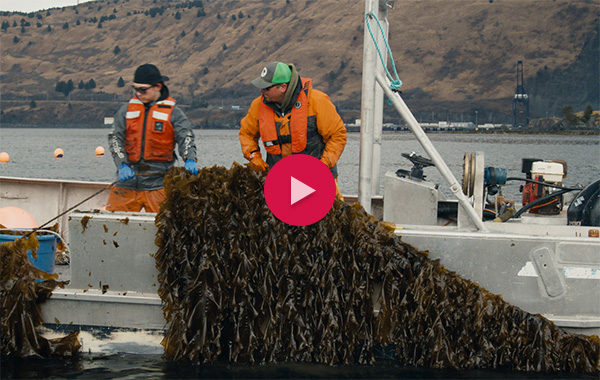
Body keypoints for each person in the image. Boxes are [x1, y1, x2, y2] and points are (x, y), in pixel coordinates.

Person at [239, 61, 347, 197]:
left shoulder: (317, 101)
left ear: (283, 87)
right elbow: (246, 134)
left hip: (319, 181)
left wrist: (322, 167)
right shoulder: (257, 106)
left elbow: (338, 135)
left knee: (331, 217)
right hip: (279, 183)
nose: (262, 90)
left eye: (266, 88)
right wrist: (256, 160)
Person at [106, 63, 198, 212]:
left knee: (163, 229)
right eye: (135, 89)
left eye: (143, 89)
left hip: (159, 184)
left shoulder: (174, 113)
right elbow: (115, 138)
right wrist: (122, 164)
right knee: (112, 227)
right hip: (126, 182)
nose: (138, 93)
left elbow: (186, 137)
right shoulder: (126, 111)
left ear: (158, 87)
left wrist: (190, 159)